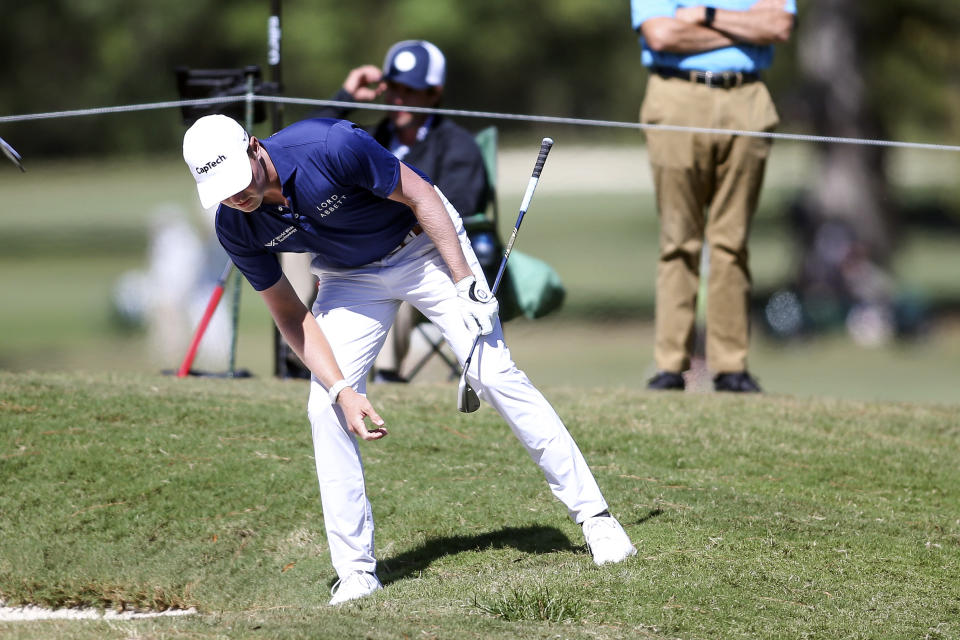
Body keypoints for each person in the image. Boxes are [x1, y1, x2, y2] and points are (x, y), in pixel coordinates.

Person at [181, 114, 637, 605]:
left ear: (254, 147)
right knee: (324, 407)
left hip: (424, 248)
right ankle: (355, 573)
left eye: (238, 180)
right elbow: (290, 312)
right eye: (221, 190)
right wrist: (342, 389)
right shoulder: (235, 225)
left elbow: (422, 195)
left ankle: (597, 520)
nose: (237, 196)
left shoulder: (331, 146)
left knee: (494, 374)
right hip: (347, 279)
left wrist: (464, 282)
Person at [301, 39, 490, 383]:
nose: (398, 99)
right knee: (292, 251)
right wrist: (344, 97)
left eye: (410, 90)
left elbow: (460, 208)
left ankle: (386, 374)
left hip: (422, 255)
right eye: (393, 88)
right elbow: (299, 148)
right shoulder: (364, 138)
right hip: (351, 253)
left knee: (398, 264)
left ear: (434, 93)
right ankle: (301, 363)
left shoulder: (458, 146)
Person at [631, 0, 795, 392]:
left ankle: (730, 367)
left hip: (747, 98)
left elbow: (778, 27)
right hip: (676, 97)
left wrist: (705, 16)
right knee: (678, 240)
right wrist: (743, 27)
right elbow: (662, 33)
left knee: (732, 241)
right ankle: (671, 365)